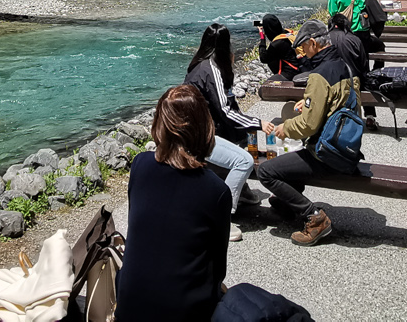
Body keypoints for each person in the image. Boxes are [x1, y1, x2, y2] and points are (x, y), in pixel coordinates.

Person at [117, 85, 229, 322]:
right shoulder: (216, 190)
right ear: (205, 128)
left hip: (129, 305)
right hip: (183, 312)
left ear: (159, 125)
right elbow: (218, 268)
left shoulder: (140, 165)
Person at [254, 21, 354, 246]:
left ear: (313, 43)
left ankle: (315, 218)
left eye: (303, 48)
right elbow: (340, 100)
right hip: (345, 146)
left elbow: (308, 126)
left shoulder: (319, 75)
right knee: (289, 161)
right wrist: (309, 102)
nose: (302, 54)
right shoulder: (343, 65)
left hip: (325, 153)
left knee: (266, 171)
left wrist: (284, 128)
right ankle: (286, 203)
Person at [184, 24, 264, 241]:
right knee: (245, 161)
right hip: (200, 138)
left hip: (198, 131)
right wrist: (258, 123)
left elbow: (226, 105)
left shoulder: (197, 65)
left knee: (243, 139)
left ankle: (241, 190)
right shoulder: (211, 70)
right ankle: (220, 218)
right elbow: (226, 111)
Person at [258, 14, 301, 79]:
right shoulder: (287, 33)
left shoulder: (277, 44)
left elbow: (263, 58)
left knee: (267, 86)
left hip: (291, 73)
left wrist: (262, 37)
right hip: (300, 67)